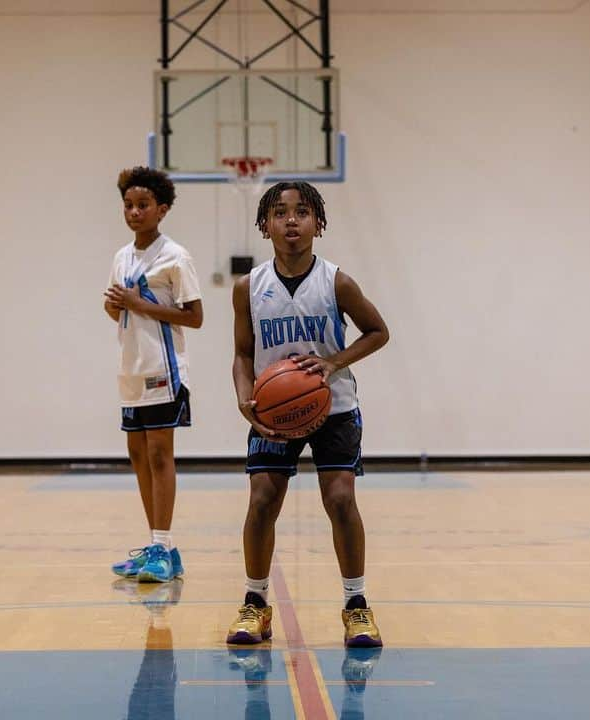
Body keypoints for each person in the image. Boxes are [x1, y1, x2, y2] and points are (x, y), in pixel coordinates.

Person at [226, 181, 390, 647]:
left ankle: (357, 606)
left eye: (301, 212)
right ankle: (255, 603)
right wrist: (244, 395)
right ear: (265, 226)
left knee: (340, 500)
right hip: (272, 411)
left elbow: (378, 332)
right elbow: (242, 353)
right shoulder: (248, 287)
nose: (291, 220)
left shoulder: (336, 281)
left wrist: (334, 362)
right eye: (279, 213)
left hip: (333, 404)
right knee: (261, 501)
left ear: (318, 222)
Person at [103, 166, 203, 583]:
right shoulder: (121, 257)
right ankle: (159, 548)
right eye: (128, 205)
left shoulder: (176, 256)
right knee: (138, 457)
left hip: (163, 369)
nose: (134, 211)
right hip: (130, 368)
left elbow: (194, 317)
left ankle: (162, 545)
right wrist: (116, 306)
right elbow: (114, 310)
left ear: (161, 209)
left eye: (142, 205)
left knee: (161, 455)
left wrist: (139, 304)